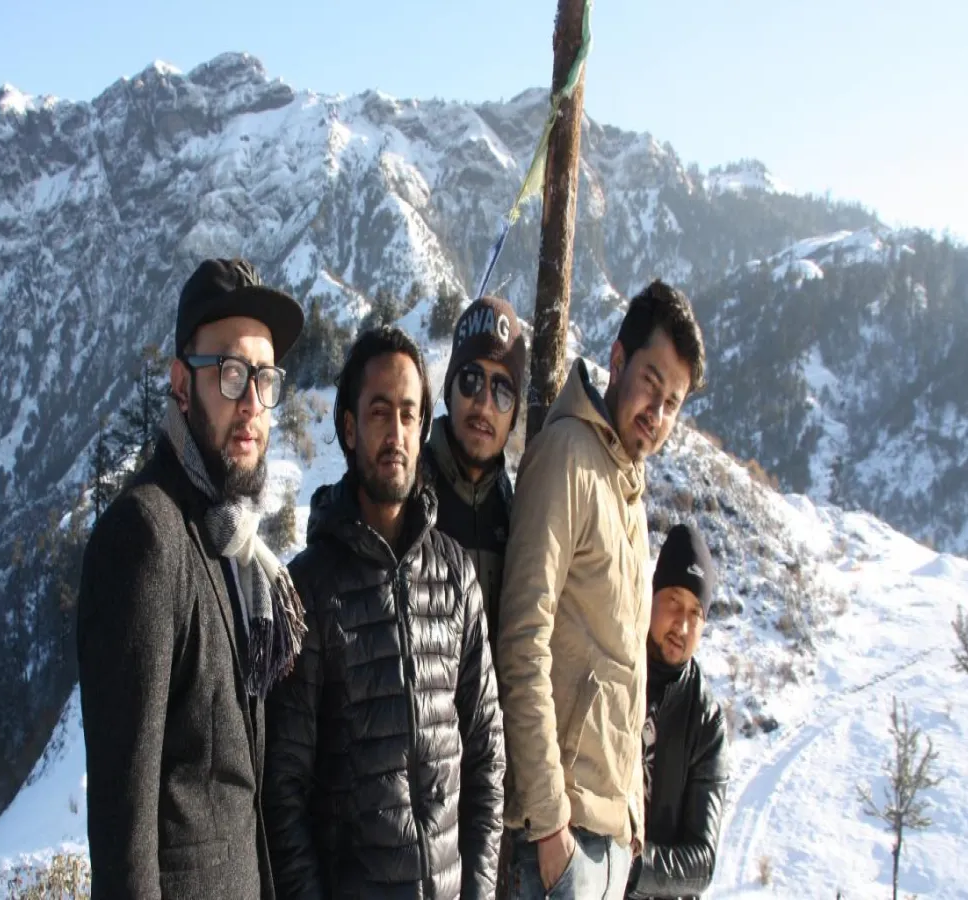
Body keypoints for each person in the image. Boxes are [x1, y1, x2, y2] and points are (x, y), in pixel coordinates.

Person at [77, 258, 307, 900]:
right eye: (232, 375)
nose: (253, 406)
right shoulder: (147, 536)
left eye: (265, 379)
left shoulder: (228, 538)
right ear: (182, 384)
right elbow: (125, 828)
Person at [263, 325, 505, 900]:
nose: (395, 433)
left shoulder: (455, 576)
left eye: (408, 414)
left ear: (423, 426)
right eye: (379, 412)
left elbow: (486, 754)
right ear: (348, 428)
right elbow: (283, 790)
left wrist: (479, 888)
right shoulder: (308, 591)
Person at [498, 280, 707, 900]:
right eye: (651, 384)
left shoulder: (627, 486)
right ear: (617, 361)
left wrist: (634, 818)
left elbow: (621, 666)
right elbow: (522, 641)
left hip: (607, 841)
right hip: (560, 844)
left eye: (673, 402)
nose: (658, 413)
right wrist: (550, 826)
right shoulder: (567, 457)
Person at [625, 524, 729, 900]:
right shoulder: (615, 673)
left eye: (695, 612)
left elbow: (701, 862)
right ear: (652, 595)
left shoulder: (706, 720)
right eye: (673, 601)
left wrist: (628, 865)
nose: (682, 625)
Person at [423, 295, 525, 651]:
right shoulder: (406, 492)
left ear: (514, 415)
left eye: (502, 391)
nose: (483, 404)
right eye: (469, 380)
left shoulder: (518, 516)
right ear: (448, 391)